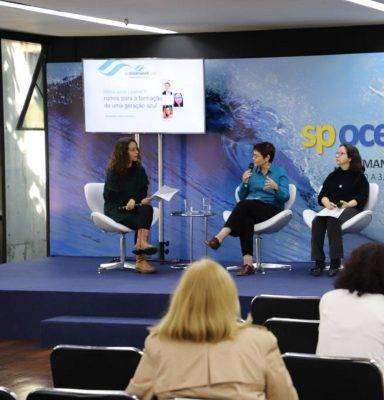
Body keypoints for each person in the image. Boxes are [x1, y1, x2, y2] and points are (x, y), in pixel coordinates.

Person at [126, 259, 298, 400]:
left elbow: (135, 396)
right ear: (230, 297)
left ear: (181, 298)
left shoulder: (158, 343)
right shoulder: (261, 341)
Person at [317, 243, 384, 400]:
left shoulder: (328, 299)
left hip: (325, 389)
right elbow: (383, 355)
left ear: (349, 268)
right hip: (370, 390)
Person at [205, 142, 290, 276]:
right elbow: (241, 195)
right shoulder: (252, 172)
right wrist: (244, 183)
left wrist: (276, 187)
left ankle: (219, 238)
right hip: (250, 208)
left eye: (256, 156)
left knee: (244, 205)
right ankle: (248, 265)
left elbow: (285, 197)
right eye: (253, 155)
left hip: (271, 209)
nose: (253, 158)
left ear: (267, 158)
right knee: (246, 219)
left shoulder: (279, 172)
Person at [310, 144, 369, 277]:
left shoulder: (359, 177)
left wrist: (348, 204)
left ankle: (335, 262)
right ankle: (319, 262)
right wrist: (326, 202)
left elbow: (362, 198)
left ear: (350, 158)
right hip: (332, 209)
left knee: (333, 221)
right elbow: (322, 195)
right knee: (317, 221)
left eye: (341, 154)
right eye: (337, 153)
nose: (337, 156)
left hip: (351, 209)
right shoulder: (333, 175)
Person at [103, 137, 157, 274]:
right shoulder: (113, 171)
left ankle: (141, 245)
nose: (136, 152)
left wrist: (137, 200)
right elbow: (109, 196)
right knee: (142, 219)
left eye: (136, 149)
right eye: (132, 150)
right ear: (123, 152)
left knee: (147, 208)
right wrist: (128, 201)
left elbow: (142, 190)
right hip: (116, 210)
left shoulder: (139, 169)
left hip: (134, 208)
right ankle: (141, 258)